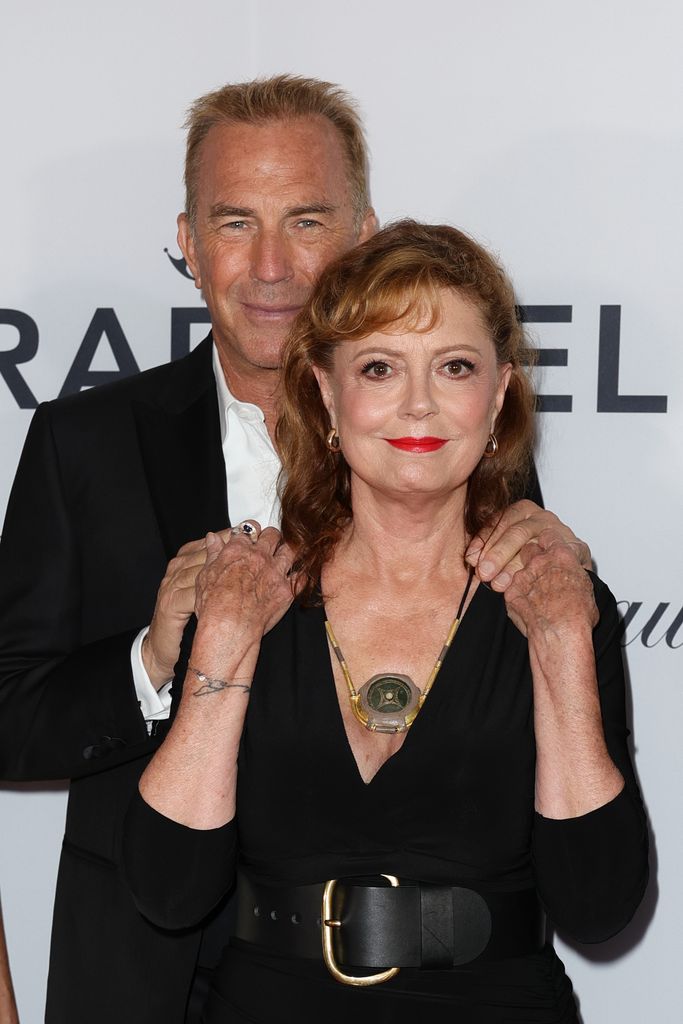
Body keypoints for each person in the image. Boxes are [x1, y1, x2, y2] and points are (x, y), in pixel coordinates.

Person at [0, 77, 589, 1024]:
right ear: (187, 241)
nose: (271, 267)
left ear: (362, 231)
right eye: (234, 223)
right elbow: (9, 709)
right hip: (140, 966)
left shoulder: (450, 444)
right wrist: (150, 660)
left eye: (306, 220)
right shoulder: (86, 444)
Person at [123, 220, 648, 1024]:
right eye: (379, 367)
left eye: (455, 367)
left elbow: (598, 905)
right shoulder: (247, 594)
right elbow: (166, 890)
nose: (418, 404)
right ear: (326, 392)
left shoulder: (555, 602)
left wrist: (559, 644)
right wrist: (224, 642)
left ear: (499, 394)